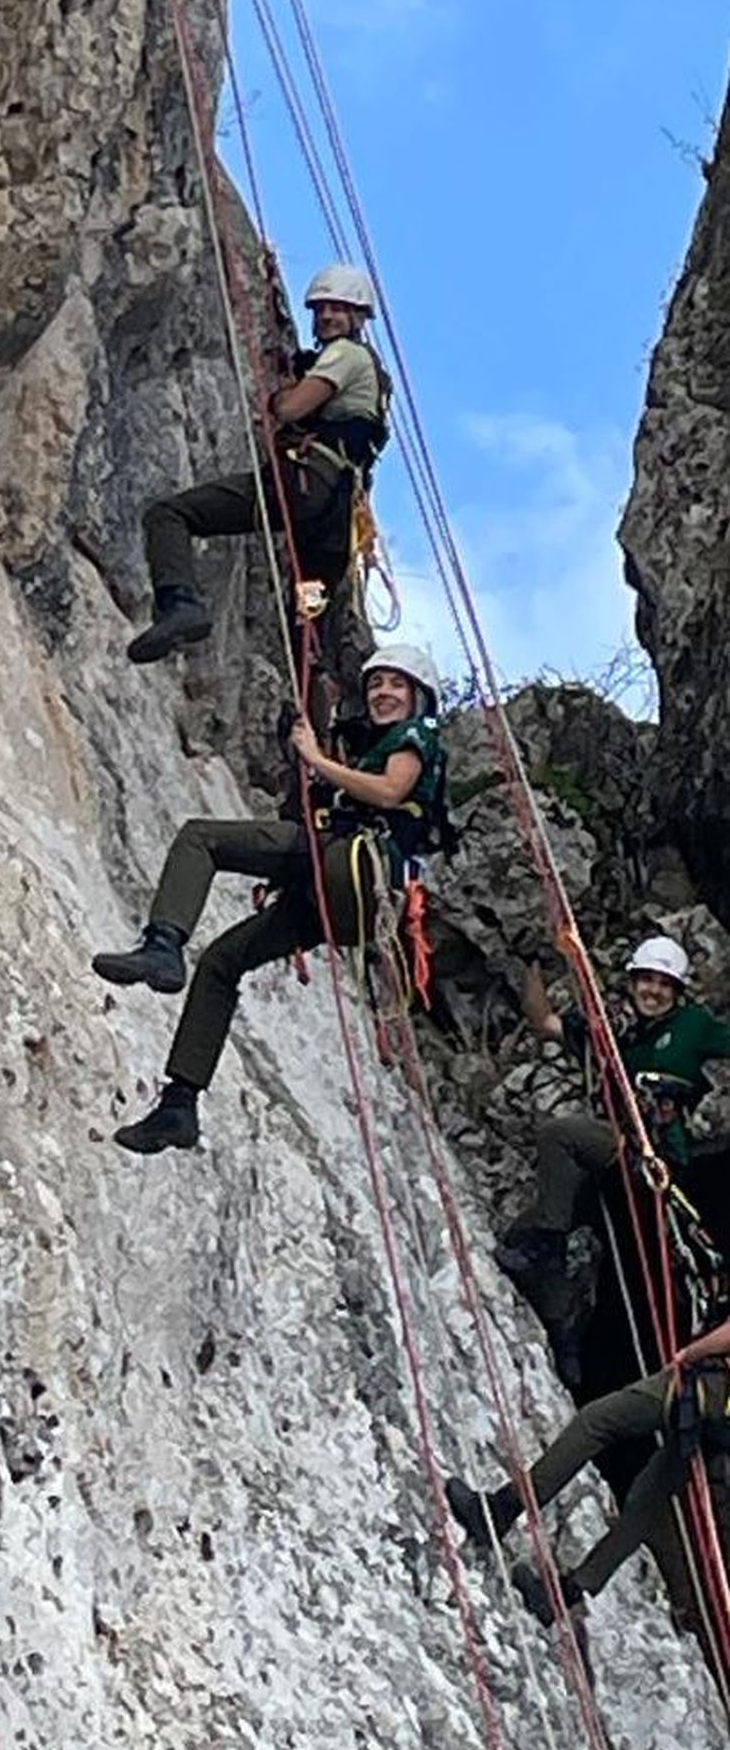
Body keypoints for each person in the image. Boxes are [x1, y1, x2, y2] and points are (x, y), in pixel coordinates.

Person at [95, 642, 446, 1155]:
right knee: (221, 961)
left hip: (350, 861)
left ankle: (163, 943)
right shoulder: (372, 744)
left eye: (396, 684)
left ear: (419, 696)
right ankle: (179, 1103)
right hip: (333, 890)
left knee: (201, 837)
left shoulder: (419, 735)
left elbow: (391, 793)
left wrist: (316, 759)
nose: (383, 693)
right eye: (375, 684)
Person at [126, 264, 390, 698]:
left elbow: (290, 410)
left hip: (303, 487)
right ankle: (315, 715)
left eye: (338, 309)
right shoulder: (371, 373)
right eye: (321, 308)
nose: (326, 315)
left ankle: (181, 604)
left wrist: (280, 395)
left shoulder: (346, 354)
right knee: (308, 618)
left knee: (169, 514)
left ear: (359, 318)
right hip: (332, 519)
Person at [495, 936, 730, 1376]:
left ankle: (549, 1245)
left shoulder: (694, 1025)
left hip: (653, 1157)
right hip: (617, 1158)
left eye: (664, 984)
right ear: (633, 980)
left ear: (678, 993)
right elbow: (544, 1021)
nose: (654, 991)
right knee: (524, 1237)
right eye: (646, 980)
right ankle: (563, 1331)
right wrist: (532, 962)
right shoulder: (612, 1031)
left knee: (561, 1134)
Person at [444, 1309, 730, 1628]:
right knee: (647, 1504)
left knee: (597, 1423)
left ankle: (502, 1510)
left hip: (712, 1387)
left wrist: (690, 1352)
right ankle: (565, 1595)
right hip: (722, 1420)